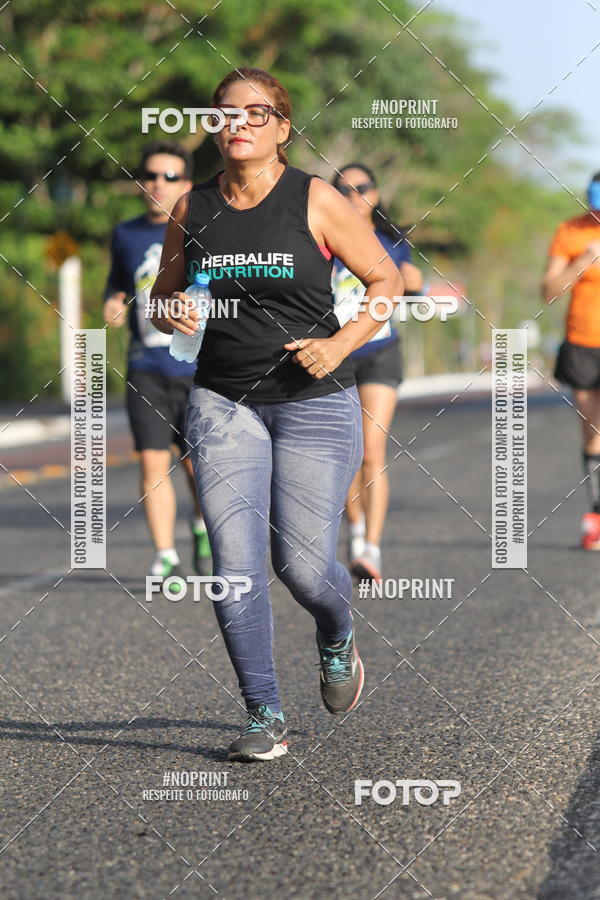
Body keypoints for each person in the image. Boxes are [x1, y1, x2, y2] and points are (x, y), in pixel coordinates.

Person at [149, 67, 403, 762]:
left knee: (301, 565)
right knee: (234, 566)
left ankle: (336, 631)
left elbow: (389, 278)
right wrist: (170, 307)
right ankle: (264, 713)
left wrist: (341, 342)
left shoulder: (314, 199)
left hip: (314, 402)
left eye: (257, 114)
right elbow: (162, 296)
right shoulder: (192, 209)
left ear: (284, 129)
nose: (239, 124)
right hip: (223, 400)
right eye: (226, 112)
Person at [103, 140, 212, 579]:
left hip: (196, 369)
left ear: (185, 184)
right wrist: (112, 303)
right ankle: (165, 554)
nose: (157, 184)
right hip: (146, 367)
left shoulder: (200, 229)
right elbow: (118, 285)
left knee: (196, 465)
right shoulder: (125, 234)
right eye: (149, 175)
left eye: (169, 177)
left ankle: (203, 524)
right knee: (152, 461)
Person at [331, 164, 423, 583]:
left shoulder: (393, 242)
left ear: (376, 193)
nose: (353, 195)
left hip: (380, 351)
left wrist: (415, 282)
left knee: (372, 452)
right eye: (343, 189)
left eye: (361, 187)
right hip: (338, 352)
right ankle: (355, 530)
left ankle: (372, 547)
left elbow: (409, 286)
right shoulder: (322, 238)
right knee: (347, 454)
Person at [543, 171, 600, 549]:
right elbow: (548, 291)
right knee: (593, 431)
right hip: (582, 343)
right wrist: (581, 260)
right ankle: (596, 515)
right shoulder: (572, 231)